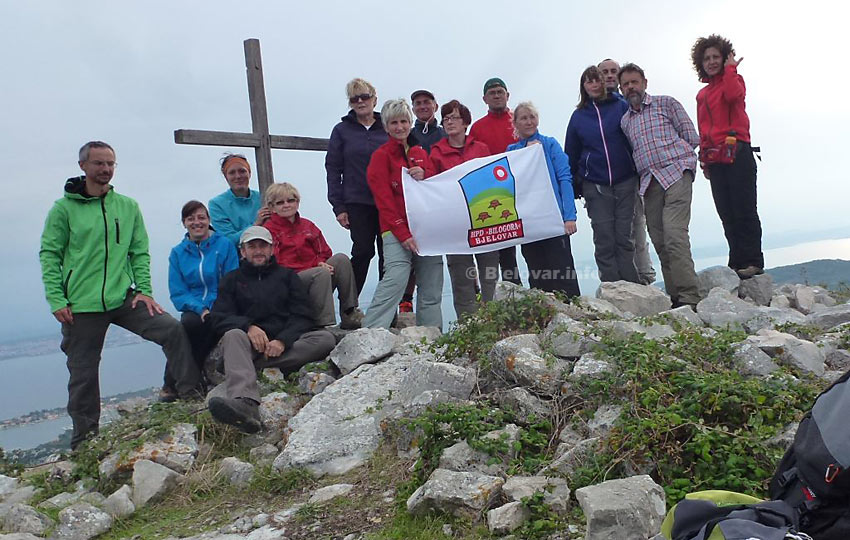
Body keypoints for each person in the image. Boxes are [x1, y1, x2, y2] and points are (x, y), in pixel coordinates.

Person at [39, 141, 201, 449]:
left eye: (110, 163)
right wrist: (57, 299)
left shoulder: (127, 207)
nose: (105, 169)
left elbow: (138, 252)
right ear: (83, 166)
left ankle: (192, 399)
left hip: (123, 297)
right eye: (99, 163)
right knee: (83, 373)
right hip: (81, 304)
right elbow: (50, 254)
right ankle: (85, 443)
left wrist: (144, 291)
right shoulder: (63, 209)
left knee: (172, 330)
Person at [208, 226, 336, 433]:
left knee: (325, 339)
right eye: (252, 246)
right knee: (233, 335)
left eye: (263, 246)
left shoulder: (287, 277)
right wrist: (248, 327)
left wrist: (282, 341)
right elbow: (219, 318)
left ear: (272, 249)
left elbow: (303, 315)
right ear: (243, 251)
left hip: (282, 344)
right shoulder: (231, 280)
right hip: (249, 343)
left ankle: (244, 364)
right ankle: (245, 403)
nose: (258, 250)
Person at [619, 63, 701, 307]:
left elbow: (691, 137)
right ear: (621, 89)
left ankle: (690, 298)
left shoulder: (666, 103)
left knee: (675, 235)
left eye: (634, 81)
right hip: (649, 183)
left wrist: (680, 161)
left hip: (676, 173)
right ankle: (676, 299)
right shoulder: (625, 121)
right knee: (661, 242)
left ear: (645, 82)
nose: (630, 87)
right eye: (626, 84)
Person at [363, 99, 444, 329]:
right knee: (396, 279)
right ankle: (370, 333)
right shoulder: (380, 156)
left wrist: (425, 172)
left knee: (431, 285)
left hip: (425, 228)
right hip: (394, 228)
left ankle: (433, 337)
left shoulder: (419, 152)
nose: (399, 127)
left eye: (404, 121)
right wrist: (402, 232)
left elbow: (435, 186)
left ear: (410, 123)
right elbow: (383, 200)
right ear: (386, 127)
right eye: (394, 123)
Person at [692, 34, 764, 279]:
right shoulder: (702, 95)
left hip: (738, 151)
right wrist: (703, 158)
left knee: (744, 209)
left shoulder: (734, 80)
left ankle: (753, 261)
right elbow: (703, 128)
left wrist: (731, 69)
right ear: (700, 63)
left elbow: (734, 96)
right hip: (715, 157)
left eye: (715, 57)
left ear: (724, 58)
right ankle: (736, 262)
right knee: (726, 212)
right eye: (706, 58)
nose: (711, 62)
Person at [565, 66, 640, 283]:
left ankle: (633, 288)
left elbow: (634, 137)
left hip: (625, 179)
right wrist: (574, 188)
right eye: (589, 81)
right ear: (583, 86)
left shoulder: (621, 106)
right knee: (604, 238)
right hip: (595, 185)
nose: (595, 85)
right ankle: (612, 288)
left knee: (624, 237)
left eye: (597, 80)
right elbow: (571, 152)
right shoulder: (578, 117)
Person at [430, 99, 500, 318]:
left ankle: (493, 320)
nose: (449, 122)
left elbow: (492, 182)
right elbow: (432, 188)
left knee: (489, 274)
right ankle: (468, 326)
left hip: (484, 220)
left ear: (466, 122)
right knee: (461, 277)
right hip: (455, 226)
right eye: (446, 118)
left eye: (455, 117)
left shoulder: (481, 149)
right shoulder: (436, 153)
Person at [163, 200, 239, 401]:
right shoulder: (178, 253)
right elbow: (178, 291)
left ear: (208, 220)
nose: (197, 222)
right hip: (194, 308)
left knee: (210, 327)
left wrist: (214, 306)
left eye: (201, 217)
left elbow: (232, 280)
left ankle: (173, 384)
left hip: (222, 304)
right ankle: (186, 383)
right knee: (189, 325)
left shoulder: (224, 245)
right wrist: (200, 308)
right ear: (184, 223)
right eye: (191, 218)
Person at [262, 182, 363, 329]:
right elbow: (277, 263)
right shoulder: (269, 230)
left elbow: (324, 252)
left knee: (341, 259)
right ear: (272, 207)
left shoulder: (307, 225)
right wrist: (316, 265)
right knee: (320, 272)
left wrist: (320, 262)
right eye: (280, 202)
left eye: (290, 200)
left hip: (316, 275)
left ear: (297, 202)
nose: (286, 205)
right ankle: (323, 323)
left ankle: (349, 313)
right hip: (290, 281)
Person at [507, 102, 581, 297]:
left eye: (532, 117)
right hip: (530, 222)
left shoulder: (550, 144)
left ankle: (575, 316)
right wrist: (528, 154)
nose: (529, 121)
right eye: (523, 118)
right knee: (537, 272)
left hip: (554, 219)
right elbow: (510, 185)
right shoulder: (512, 151)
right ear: (515, 122)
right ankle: (545, 319)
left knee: (563, 270)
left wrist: (570, 216)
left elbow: (565, 178)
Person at [326, 78, 389, 295]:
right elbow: (333, 169)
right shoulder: (342, 130)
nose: (361, 101)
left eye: (365, 96)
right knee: (363, 251)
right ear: (350, 103)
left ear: (374, 99)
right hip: (356, 202)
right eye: (355, 98)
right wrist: (338, 207)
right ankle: (349, 304)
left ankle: (387, 309)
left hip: (387, 201)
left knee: (388, 254)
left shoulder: (388, 127)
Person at [598, 58, 657, 285]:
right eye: (605, 72)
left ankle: (644, 277)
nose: (610, 75)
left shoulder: (631, 104)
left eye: (614, 71)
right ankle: (616, 283)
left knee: (637, 228)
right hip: (604, 181)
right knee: (610, 233)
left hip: (634, 176)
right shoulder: (593, 108)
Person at [469, 77, 522, 286]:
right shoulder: (477, 128)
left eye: (500, 91)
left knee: (518, 245)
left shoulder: (519, 120)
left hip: (518, 190)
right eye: (492, 93)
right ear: (484, 99)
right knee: (493, 250)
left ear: (508, 95)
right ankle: (489, 297)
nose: (497, 96)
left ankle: (518, 292)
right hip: (491, 195)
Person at [209, 154, 269, 246]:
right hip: (234, 258)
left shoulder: (264, 198)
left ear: (249, 173)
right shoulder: (216, 204)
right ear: (226, 177)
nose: (238, 176)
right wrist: (255, 225)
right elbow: (227, 241)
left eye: (242, 171)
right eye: (232, 172)